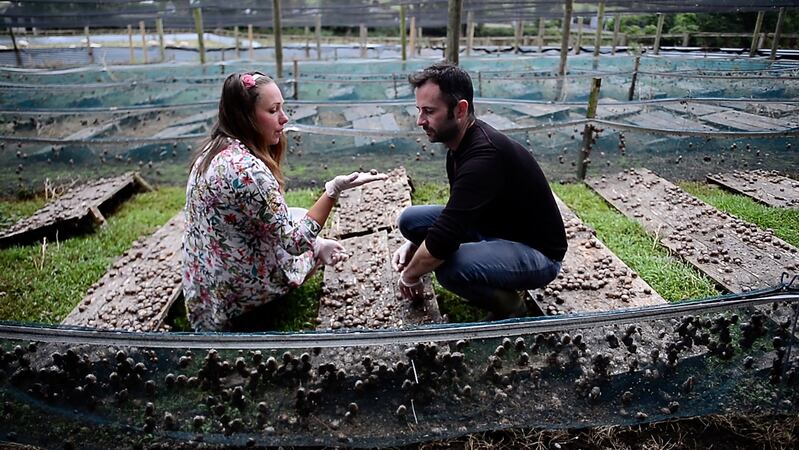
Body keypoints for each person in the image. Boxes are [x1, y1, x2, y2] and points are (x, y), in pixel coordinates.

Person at [183, 71, 386, 331]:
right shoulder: (248, 171)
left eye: (282, 108)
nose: (284, 118)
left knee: (297, 212)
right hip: (238, 288)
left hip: (207, 283)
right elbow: (294, 243)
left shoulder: (211, 152)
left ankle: (319, 247)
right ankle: (313, 258)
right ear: (245, 117)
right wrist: (333, 190)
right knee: (304, 231)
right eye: (273, 110)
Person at [393, 63, 567, 320]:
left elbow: (444, 238)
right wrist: (415, 244)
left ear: (460, 109)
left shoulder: (484, 157)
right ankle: (484, 261)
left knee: (451, 268)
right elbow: (458, 214)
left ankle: (511, 308)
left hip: (537, 252)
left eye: (429, 111)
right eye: (419, 110)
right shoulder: (460, 143)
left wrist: (409, 277)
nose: (420, 121)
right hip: (494, 228)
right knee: (410, 221)